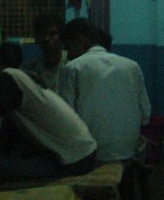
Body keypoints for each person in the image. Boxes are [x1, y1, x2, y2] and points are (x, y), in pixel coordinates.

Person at [0, 53, 97, 181]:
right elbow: (5, 139)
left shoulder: (5, 83)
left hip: (74, 160)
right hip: (84, 152)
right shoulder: (16, 80)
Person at [60, 18, 151, 163]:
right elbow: (146, 115)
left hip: (90, 154)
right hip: (127, 150)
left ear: (80, 40)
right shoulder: (132, 66)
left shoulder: (73, 68)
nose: (68, 55)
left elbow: (66, 119)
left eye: (68, 48)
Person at [22, 12, 67, 94]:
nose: (46, 38)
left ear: (62, 36)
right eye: (42, 33)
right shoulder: (30, 68)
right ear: (36, 38)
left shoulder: (72, 65)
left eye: (52, 34)